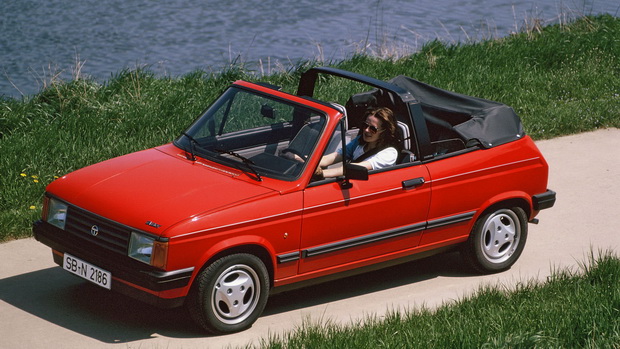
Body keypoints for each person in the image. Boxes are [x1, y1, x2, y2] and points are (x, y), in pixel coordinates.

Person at [315, 107, 399, 179]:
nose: (366, 130)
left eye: (373, 129)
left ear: (384, 132)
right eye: (365, 125)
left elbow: (354, 168)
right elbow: (336, 156)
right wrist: (310, 163)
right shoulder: (359, 141)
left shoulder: (389, 154)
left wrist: (322, 173)